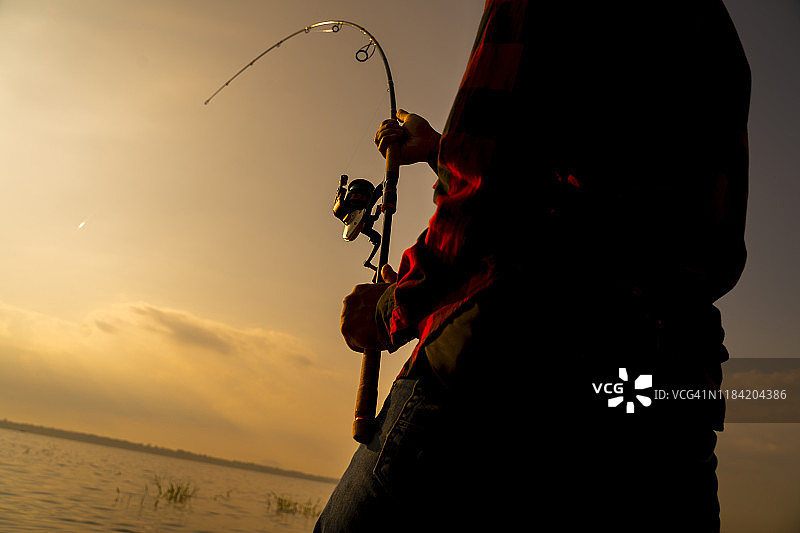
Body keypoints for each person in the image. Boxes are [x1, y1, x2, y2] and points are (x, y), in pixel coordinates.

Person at [315, 1, 750, 531]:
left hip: (520, 364)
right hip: (672, 396)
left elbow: (485, 181)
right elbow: (618, 188)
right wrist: (439, 149)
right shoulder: (715, 30)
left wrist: (388, 307)